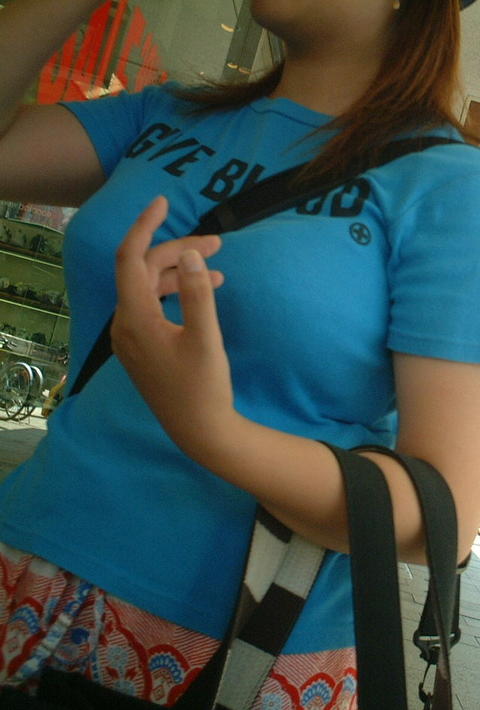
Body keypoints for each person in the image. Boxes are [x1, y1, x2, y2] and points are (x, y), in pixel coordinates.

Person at [0, 0, 480, 707]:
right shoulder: (167, 114)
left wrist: (212, 430)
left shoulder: (449, 184)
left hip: (226, 645)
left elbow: (443, 515)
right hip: (25, 563)